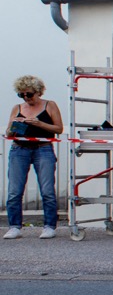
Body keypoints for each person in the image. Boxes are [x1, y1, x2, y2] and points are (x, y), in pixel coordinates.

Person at [5, 75, 63, 239]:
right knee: (14, 191)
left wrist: (39, 123)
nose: (26, 98)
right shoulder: (17, 108)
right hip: (19, 149)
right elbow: (8, 133)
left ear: (38, 92)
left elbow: (58, 128)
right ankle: (14, 226)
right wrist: (15, 125)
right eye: (21, 94)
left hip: (43, 149)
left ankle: (49, 226)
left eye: (29, 94)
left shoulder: (49, 105)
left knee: (47, 190)